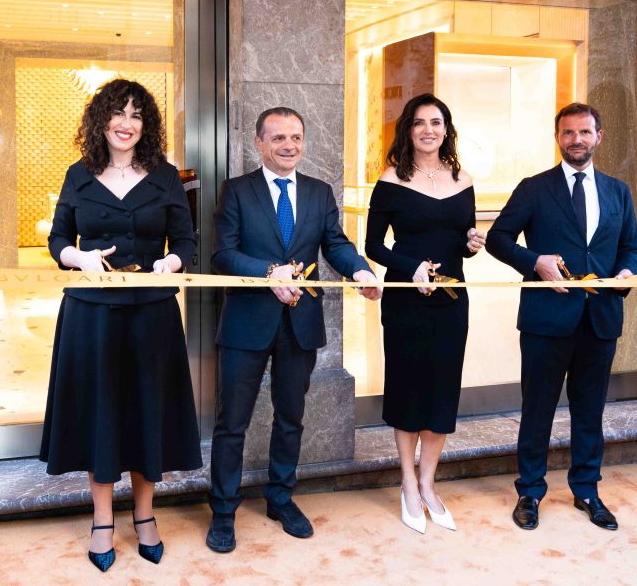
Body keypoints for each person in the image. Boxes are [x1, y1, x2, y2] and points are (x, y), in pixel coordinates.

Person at [39, 79, 201, 572]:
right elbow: (57, 239)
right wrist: (78, 258)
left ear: (145, 126)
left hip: (152, 313)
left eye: (136, 115)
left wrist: (171, 263)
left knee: (147, 411)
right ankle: (103, 519)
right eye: (118, 113)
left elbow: (187, 242)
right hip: (91, 313)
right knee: (101, 414)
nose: (127, 123)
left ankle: (145, 514)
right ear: (101, 121)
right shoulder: (79, 174)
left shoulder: (165, 176)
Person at [206, 107, 381, 553]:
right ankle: (223, 511)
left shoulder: (319, 192)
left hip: (299, 324)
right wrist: (269, 272)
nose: (289, 146)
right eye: (279, 138)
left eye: (296, 137)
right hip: (247, 323)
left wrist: (360, 271)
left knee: (291, 419)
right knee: (232, 423)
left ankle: (280, 498)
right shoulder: (236, 191)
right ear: (259, 143)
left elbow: (335, 244)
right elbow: (222, 255)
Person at [486, 102, 637, 532]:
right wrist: (534, 261)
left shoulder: (618, 191)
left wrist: (627, 274)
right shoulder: (534, 188)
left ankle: (587, 490)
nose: (576, 140)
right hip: (546, 320)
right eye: (568, 132)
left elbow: (631, 247)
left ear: (598, 137)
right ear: (557, 138)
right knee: (537, 409)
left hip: (601, 318)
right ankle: (530, 491)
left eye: (584, 132)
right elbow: (498, 239)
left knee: (590, 410)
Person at [364, 93, 486, 534]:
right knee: (408, 388)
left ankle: (429, 483)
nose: (428, 130)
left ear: (446, 129)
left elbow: (461, 244)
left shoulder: (463, 179)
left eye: (436, 122)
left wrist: (471, 245)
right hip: (406, 299)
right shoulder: (390, 179)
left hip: (452, 301)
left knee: (441, 389)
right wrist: (410, 266)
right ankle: (408, 483)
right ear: (408, 129)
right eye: (419, 123)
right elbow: (373, 246)